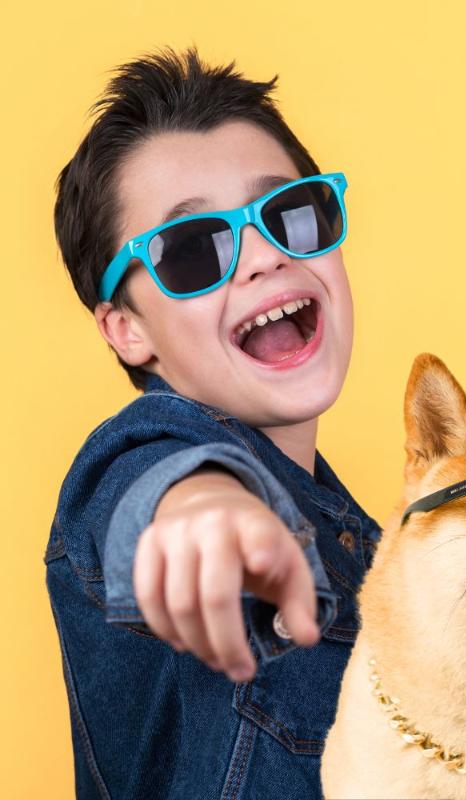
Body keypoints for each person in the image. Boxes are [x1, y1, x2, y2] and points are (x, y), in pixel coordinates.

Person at [45, 46, 381, 799]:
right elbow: (142, 477)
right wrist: (202, 507)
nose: (263, 256)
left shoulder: (375, 553)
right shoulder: (145, 463)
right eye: (194, 250)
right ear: (127, 330)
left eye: (290, 212)